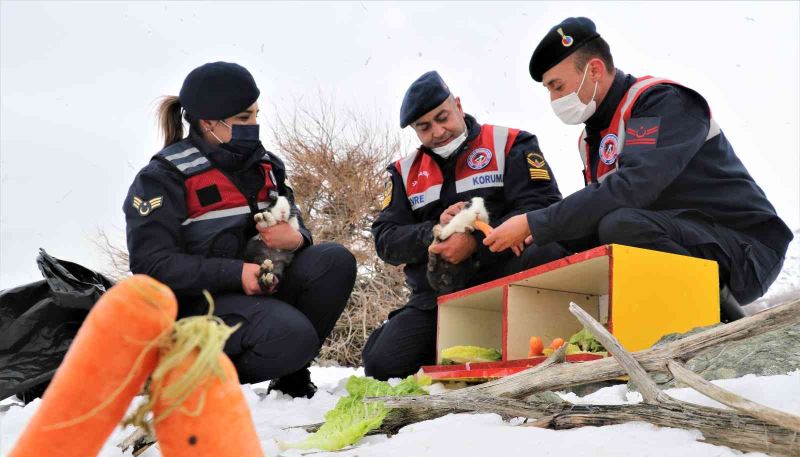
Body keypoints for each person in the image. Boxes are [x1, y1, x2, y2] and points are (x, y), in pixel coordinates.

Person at [485, 17, 792, 321]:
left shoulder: (660, 101)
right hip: (679, 235)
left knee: (619, 226)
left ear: (594, 70)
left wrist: (535, 221)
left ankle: (723, 325)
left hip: (746, 247)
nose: (554, 99)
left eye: (557, 86)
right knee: (547, 245)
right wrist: (537, 232)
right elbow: (599, 203)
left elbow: (635, 185)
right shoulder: (591, 139)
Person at [124, 62, 356, 398]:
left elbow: (295, 217)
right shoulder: (162, 177)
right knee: (292, 336)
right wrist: (235, 274)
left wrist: (297, 238)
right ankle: (191, 379)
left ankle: (291, 374)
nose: (255, 126)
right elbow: (150, 265)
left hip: (260, 290)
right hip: (197, 306)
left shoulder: (267, 166)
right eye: (244, 118)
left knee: (333, 260)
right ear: (208, 123)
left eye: (256, 115)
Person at [362, 71, 567, 380]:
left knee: (552, 246)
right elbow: (386, 240)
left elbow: (543, 205)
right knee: (381, 365)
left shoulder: (510, 143)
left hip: (503, 272)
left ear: (457, 105)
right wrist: (434, 232)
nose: (438, 131)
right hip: (436, 296)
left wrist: (474, 241)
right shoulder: (404, 173)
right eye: (424, 127)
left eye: (442, 117)